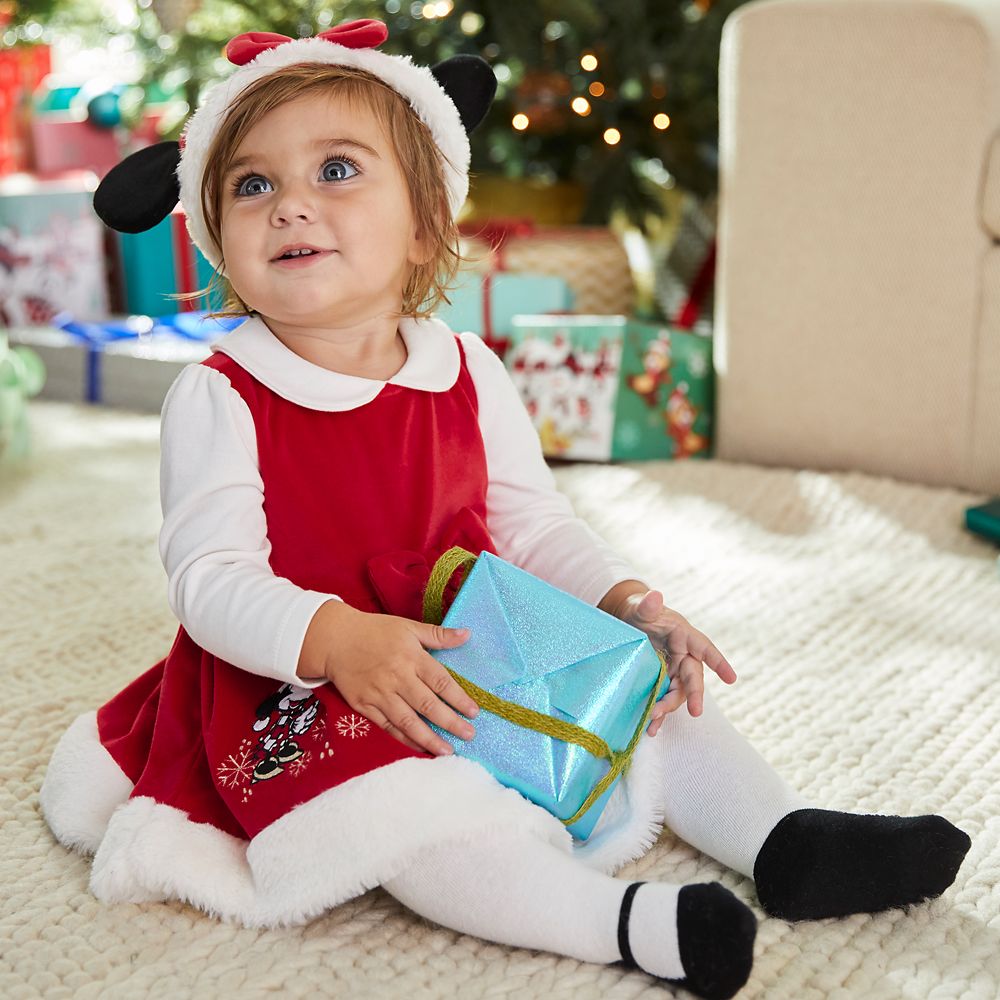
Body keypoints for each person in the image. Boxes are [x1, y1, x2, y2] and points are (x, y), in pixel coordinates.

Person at [39, 20, 971, 1000]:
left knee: (649, 691)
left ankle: (786, 838)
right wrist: (335, 640)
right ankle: (626, 925)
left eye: (338, 169)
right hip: (305, 679)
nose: (291, 207)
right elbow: (209, 581)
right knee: (413, 813)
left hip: (471, 624)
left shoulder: (467, 370)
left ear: (427, 221)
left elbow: (530, 524)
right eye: (253, 185)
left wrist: (623, 601)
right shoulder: (222, 395)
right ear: (215, 230)